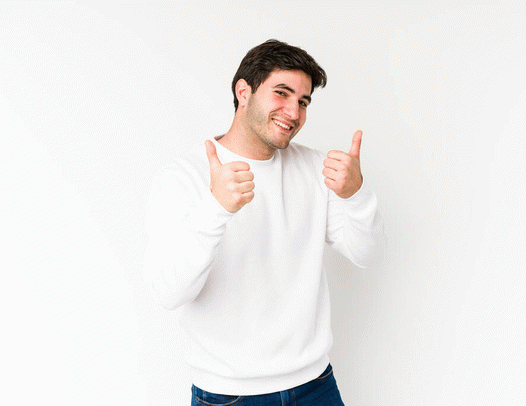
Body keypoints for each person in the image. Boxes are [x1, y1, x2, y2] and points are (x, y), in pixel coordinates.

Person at [143, 39, 384, 406]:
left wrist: (356, 195)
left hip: (316, 385)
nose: (294, 111)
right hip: (230, 395)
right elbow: (168, 292)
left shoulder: (315, 168)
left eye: (303, 101)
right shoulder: (184, 176)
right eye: (282, 93)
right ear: (244, 92)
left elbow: (368, 254)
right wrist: (215, 208)